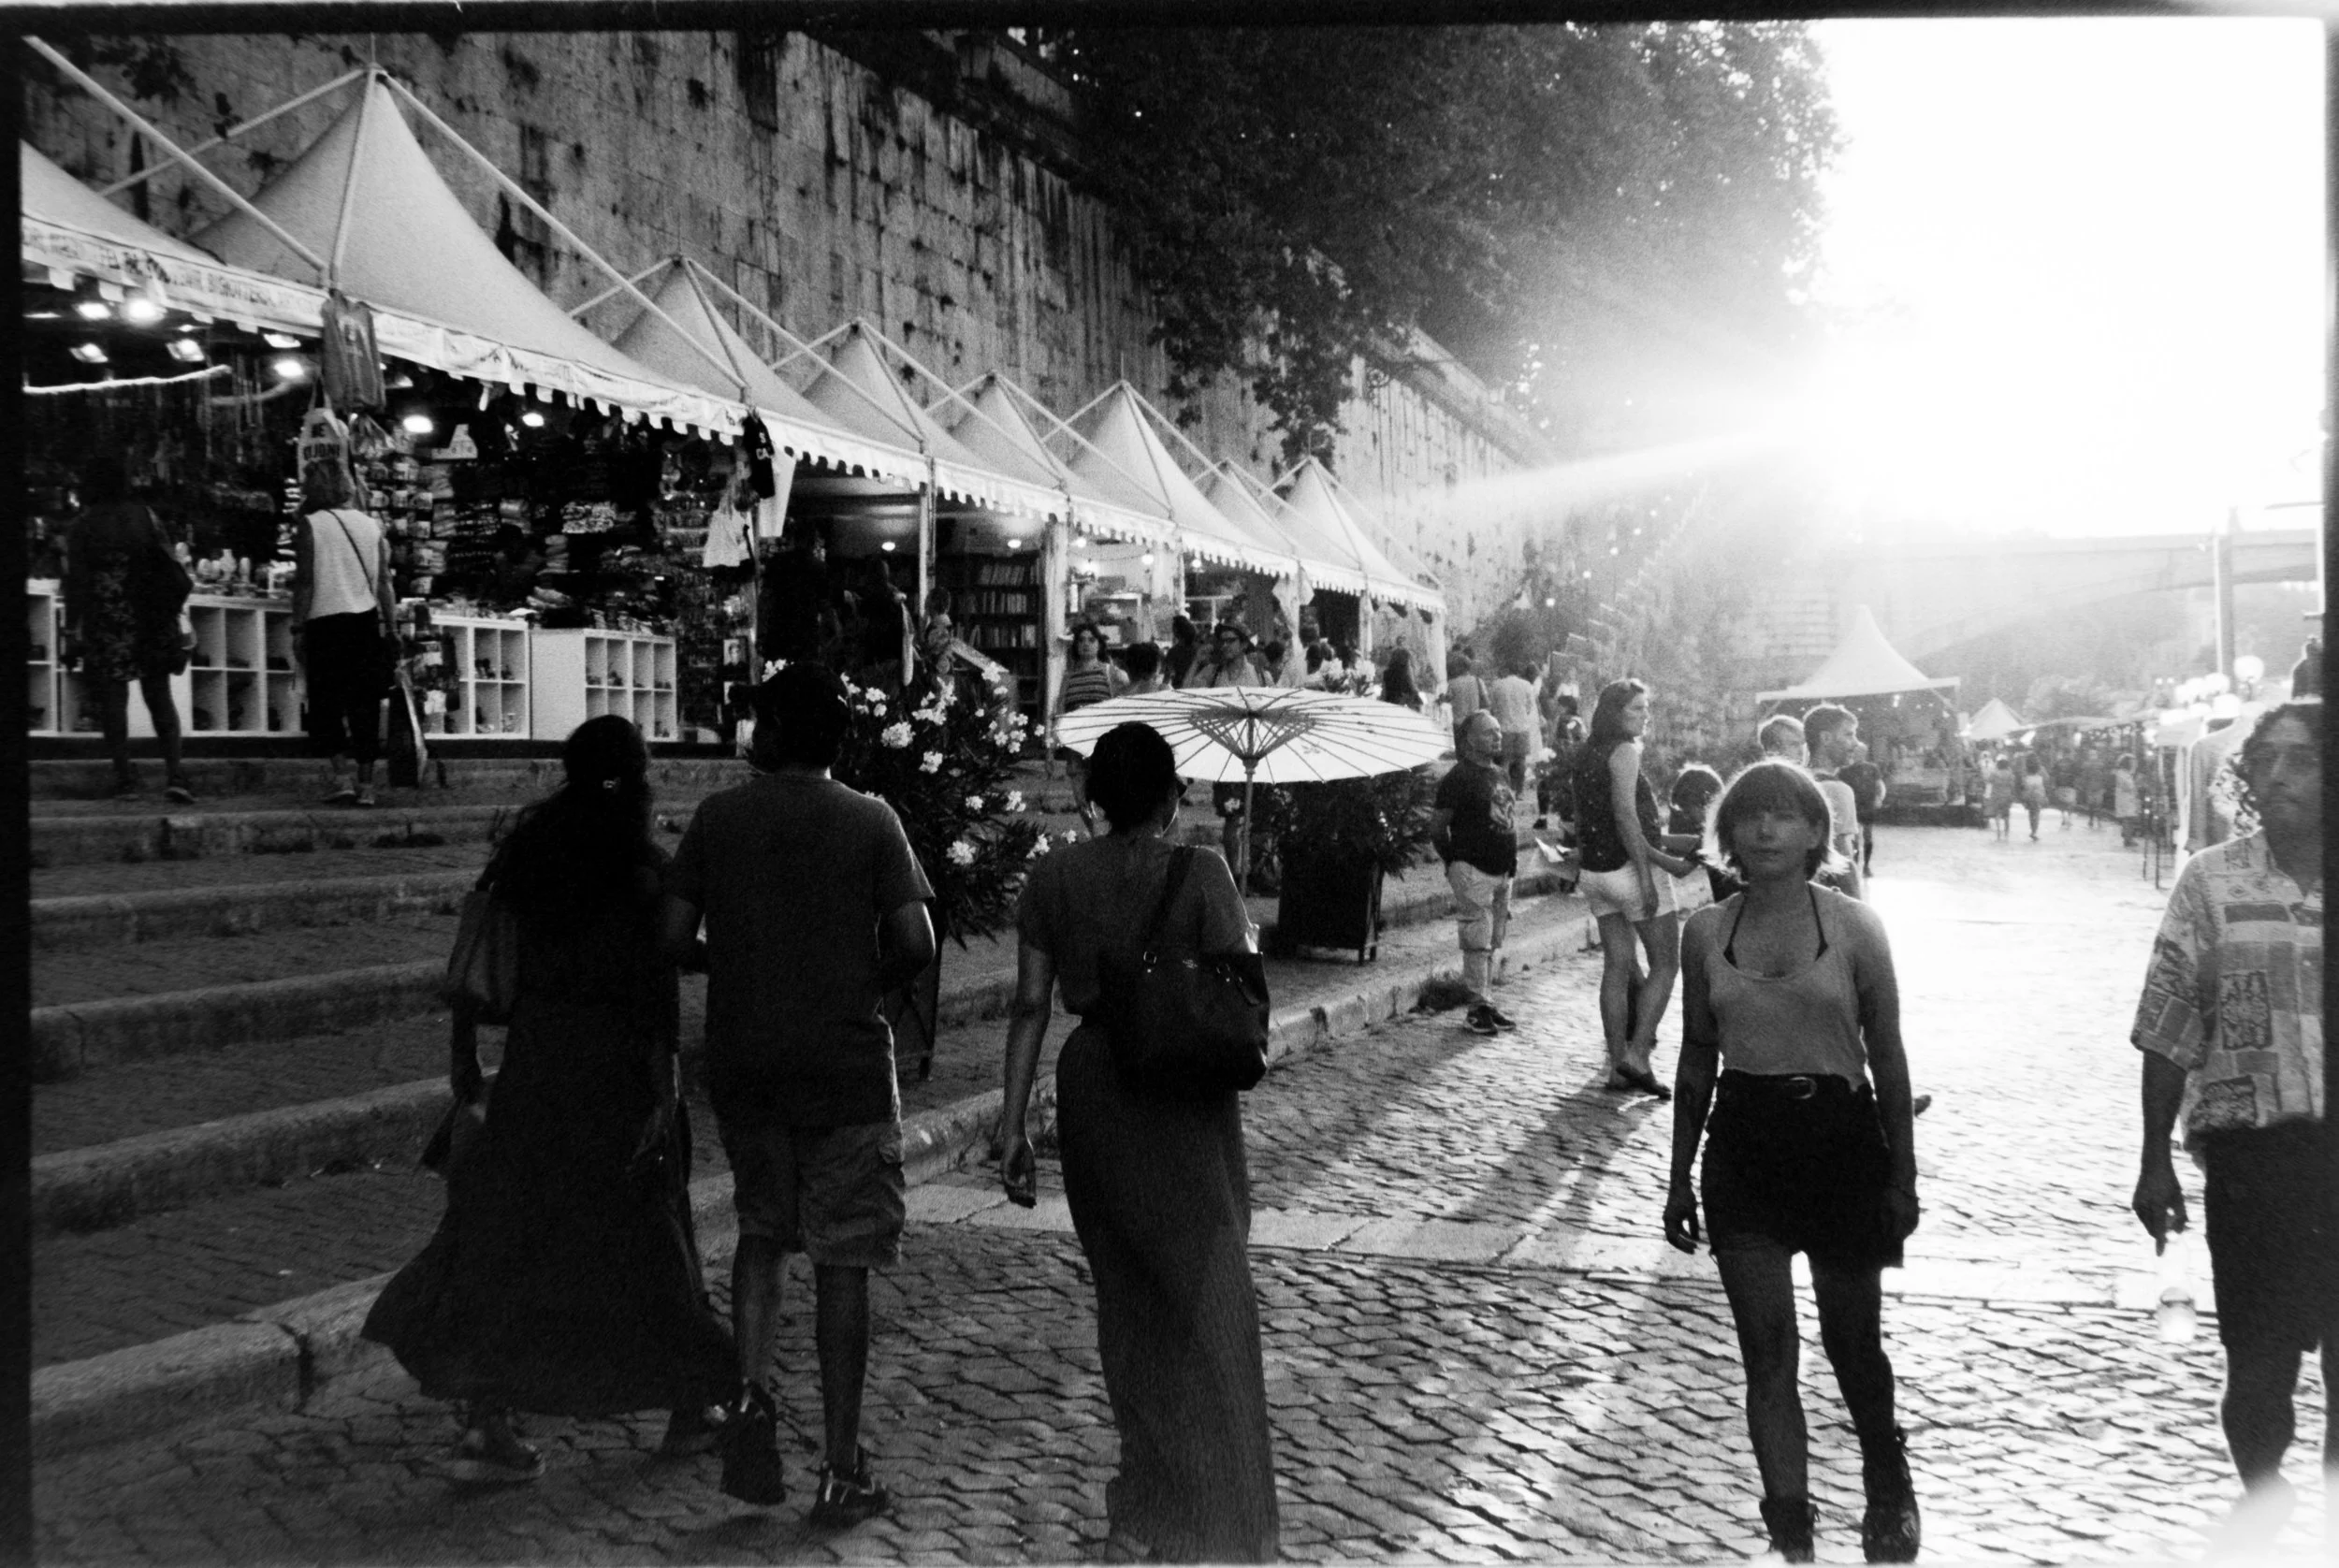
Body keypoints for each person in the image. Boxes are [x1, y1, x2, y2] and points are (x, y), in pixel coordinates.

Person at [364, 716, 737, 1481]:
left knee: (512, 1238)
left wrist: (464, 1057)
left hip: (537, 1064)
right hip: (617, 1072)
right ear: (634, 780)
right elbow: (657, 984)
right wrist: (664, 1084)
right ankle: (689, 1404)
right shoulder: (642, 871)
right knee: (649, 1241)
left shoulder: (528, 854)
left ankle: (486, 1424)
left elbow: (479, 952)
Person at [997, 720, 1278, 1562]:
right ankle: (1226, 1525)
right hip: (1181, 1091)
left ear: (1095, 798)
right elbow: (1240, 986)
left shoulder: (1053, 876)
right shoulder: (1204, 871)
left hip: (1095, 1085)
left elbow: (1030, 1005)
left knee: (1127, 1308)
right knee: (1213, 1306)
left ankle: (1141, 1513)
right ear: (1169, 795)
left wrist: (1012, 1124)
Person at [662, 665, 937, 1521]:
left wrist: (739, 961)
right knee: (843, 1258)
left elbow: (671, 935)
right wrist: (854, 979)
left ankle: (749, 1401)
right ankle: (841, 1466)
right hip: (844, 1066)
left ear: (776, 730)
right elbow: (917, 942)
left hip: (747, 1060)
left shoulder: (719, 818)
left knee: (761, 1233)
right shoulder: (872, 820)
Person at [1664, 760, 1923, 1564]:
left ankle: (1886, 1477)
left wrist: (1903, 1176)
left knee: (1853, 1343)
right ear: (1729, 834)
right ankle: (1792, 1537)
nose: (1766, 829)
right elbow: (1696, 1055)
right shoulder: (1705, 932)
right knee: (1768, 1354)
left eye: (1783, 815)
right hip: (1744, 1149)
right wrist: (1678, 1176)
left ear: (1816, 831)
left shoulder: (1855, 928)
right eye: (1750, 816)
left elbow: (1889, 1054)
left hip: (1841, 1145)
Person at [2129, 700, 2330, 1555]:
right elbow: (2168, 1021)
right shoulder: (2211, 882)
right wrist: (2154, 1160)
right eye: (2266, 759)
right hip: (2256, 1159)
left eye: (2301, 759)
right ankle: (2263, 1492)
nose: (2278, 776)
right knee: (2258, 1366)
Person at [1572, 679, 1697, 1097]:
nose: (1645, 716)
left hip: (1595, 873)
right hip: (1628, 869)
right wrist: (1646, 876)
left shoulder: (1586, 754)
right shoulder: (1624, 751)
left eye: (1646, 708)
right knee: (1665, 964)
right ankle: (1639, 1054)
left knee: (1617, 966)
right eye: (1637, 709)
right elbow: (1626, 817)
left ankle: (1617, 1068)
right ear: (1615, 713)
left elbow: (1586, 818)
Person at [61, 451, 195, 804]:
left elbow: (76, 584)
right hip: (150, 617)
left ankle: (125, 779)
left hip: (108, 620)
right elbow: (169, 565)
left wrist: (70, 633)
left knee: (113, 702)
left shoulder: (84, 526)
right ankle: (176, 774)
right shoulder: (146, 517)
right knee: (159, 697)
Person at [290, 459, 396, 808]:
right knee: (365, 704)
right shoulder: (370, 525)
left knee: (326, 703)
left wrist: (297, 625)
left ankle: (342, 778)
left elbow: (305, 581)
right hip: (364, 622)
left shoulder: (311, 525)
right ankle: (367, 785)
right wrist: (392, 625)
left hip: (324, 623)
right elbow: (384, 582)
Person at [1431, 711, 1521, 1038]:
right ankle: (1476, 1007)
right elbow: (1438, 828)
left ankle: (1487, 1000)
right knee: (1475, 941)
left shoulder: (1499, 773)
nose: (1497, 737)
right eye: (1488, 732)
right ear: (1469, 739)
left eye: (1498, 731)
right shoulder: (1458, 778)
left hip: (1502, 870)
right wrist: (1454, 862)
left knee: (1492, 940)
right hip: (1472, 868)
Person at [1186, 622, 1265, 874]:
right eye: (1222, 640)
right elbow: (1186, 693)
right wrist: (1196, 662)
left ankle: (1256, 873)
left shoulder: (1260, 675)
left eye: (1231, 640)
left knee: (1260, 818)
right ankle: (1236, 873)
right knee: (1232, 819)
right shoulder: (1213, 673)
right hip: (1227, 756)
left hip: (1258, 753)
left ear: (1243, 644)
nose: (1225, 645)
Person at [1054, 621, 1129, 835]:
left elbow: (1126, 696)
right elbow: (1060, 710)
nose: (1086, 644)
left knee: (1105, 797)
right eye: (1081, 640)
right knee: (1081, 800)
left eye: (1091, 640)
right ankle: (1096, 836)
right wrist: (1052, 747)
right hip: (1075, 748)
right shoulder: (1068, 676)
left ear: (1099, 644)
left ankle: (1108, 837)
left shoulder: (1109, 672)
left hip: (1103, 746)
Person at [1799, 704, 1867, 899]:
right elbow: (1843, 861)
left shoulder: (1794, 782)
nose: (1856, 743)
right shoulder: (1837, 790)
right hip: (1827, 900)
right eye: (1849, 735)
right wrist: (1858, 907)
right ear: (1826, 738)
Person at [1487, 661, 1542, 797]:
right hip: (1522, 727)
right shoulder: (1526, 685)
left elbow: (1492, 707)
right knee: (1521, 760)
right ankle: (1520, 791)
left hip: (1504, 728)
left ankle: (1504, 791)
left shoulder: (1497, 685)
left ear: (1506, 670)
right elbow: (1529, 707)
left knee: (1505, 761)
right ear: (1518, 671)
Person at [1838, 743, 1886, 877]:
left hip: (1868, 805)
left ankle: (1866, 866)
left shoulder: (1872, 768)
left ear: (1865, 753)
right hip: (1854, 805)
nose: (1859, 754)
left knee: (1868, 835)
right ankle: (1855, 866)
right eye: (1856, 752)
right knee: (1855, 837)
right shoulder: (1845, 770)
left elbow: (1879, 785)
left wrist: (1879, 798)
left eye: (1861, 752)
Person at [1446, 654, 1487, 754]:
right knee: (1474, 751)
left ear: (1459, 667)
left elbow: (1448, 699)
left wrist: (1441, 698)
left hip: (1459, 723)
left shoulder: (1452, 683)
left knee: (1461, 752)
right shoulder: (1478, 681)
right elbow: (1486, 700)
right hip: (1474, 721)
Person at [1377, 646, 1423, 711]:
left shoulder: (1387, 674)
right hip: (1400, 712)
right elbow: (1416, 706)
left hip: (1388, 709)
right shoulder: (1407, 680)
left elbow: (1384, 695)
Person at [1984, 753, 2017, 841]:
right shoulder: (2010, 774)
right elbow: (2012, 785)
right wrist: (2013, 796)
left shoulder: (1994, 773)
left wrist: (1987, 796)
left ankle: (1998, 831)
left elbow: (1988, 781)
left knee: (1997, 814)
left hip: (1996, 796)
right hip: (2007, 796)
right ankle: (2006, 833)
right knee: (2006, 816)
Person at [2016, 753, 2049, 841]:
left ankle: (2032, 829)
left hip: (2028, 793)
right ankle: (2034, 831)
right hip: (2039, 793)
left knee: (2031, 812)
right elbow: (2047, 779)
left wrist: (2021, 794)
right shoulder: (2041, 769)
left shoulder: (2025, 770)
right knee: (2036, 812)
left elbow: (2021, 781)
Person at [1164, 615, 1200, 690]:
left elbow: (1167, 676)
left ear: (1176, 631)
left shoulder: (1173, 652)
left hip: (1180, 688)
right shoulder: (1198, 649)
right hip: (1196, 687)